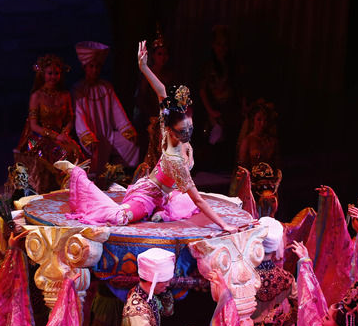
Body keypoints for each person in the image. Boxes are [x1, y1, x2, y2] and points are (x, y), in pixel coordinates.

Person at [53, 41, 237, 232]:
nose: (188, 131)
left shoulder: (177, 131)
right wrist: (224, 225)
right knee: (120, 217)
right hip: (148, 195)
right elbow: (198, 200)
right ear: (170, 130)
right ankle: (78, 176)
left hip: (165, 195)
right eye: (184, 129)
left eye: (189, 126)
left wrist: (144, 67)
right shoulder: (173, 155)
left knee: (183, 200)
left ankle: (162, 210)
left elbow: (162, 91)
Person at [15, 54, 83, 193]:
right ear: (43, 74)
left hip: (60, 136)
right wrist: (56, 136)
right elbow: (34, 126)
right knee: (58, 152)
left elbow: (70, 119)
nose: (53, 77)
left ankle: (70, 193)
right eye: (50, 73)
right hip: (38, 138)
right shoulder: (36, 96)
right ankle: (48, 193)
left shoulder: (65, 95)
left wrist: (64, 133)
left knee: (75, 151)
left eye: (56, 73)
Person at [73, 41, 139, 177]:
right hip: (92, 136)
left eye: (97, 66)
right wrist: (87, 136)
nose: (95, 70)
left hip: (108, 134)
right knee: (96, 157)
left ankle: (119, 173)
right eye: (91, 66)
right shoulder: (78, 89)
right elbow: (79, 117)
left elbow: (117, 111)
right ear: (85, 67)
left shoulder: (105, 87)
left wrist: (127, 130)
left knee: (130, 144)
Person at [197, 24, 245, 171]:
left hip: (229, 107)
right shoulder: (208, 65)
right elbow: (202, 90)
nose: (222, 48)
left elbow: (238, 87)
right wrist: (210, 111)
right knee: (214, 134)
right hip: (213, 107)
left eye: (224, 45)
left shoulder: (232, 65)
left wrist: (243, 106)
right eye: (218, 44)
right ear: (213, 45)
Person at [133, 27, 176, 168]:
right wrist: (151, 118)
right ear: (153, 55)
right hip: (149, 118)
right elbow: (140, 99)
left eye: (165, 54)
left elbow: (169, 98)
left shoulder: (169, 75)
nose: (163, 57)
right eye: (159, 54)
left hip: (165, 117)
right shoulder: (147, 75)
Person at [236, 98, 279, 170]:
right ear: (253, 120)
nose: (262, 123)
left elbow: (278, 165)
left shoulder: (272, 140)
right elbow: (242, 166)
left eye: (265, 120)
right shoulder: (247, 141)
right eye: (259, 119)